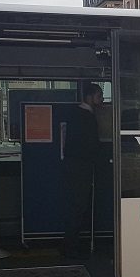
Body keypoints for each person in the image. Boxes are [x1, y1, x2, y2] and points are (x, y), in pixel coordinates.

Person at [61, 83, 104, 260]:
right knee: (79, 206)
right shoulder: (88, 118)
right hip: (82, 167)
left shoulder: (73, 115)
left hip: (72, 166)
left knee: (74, 205)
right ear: (89, 97)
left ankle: (70, 244)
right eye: (99, 96)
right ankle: (71, 247)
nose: (101, 100)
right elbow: (92, 145)